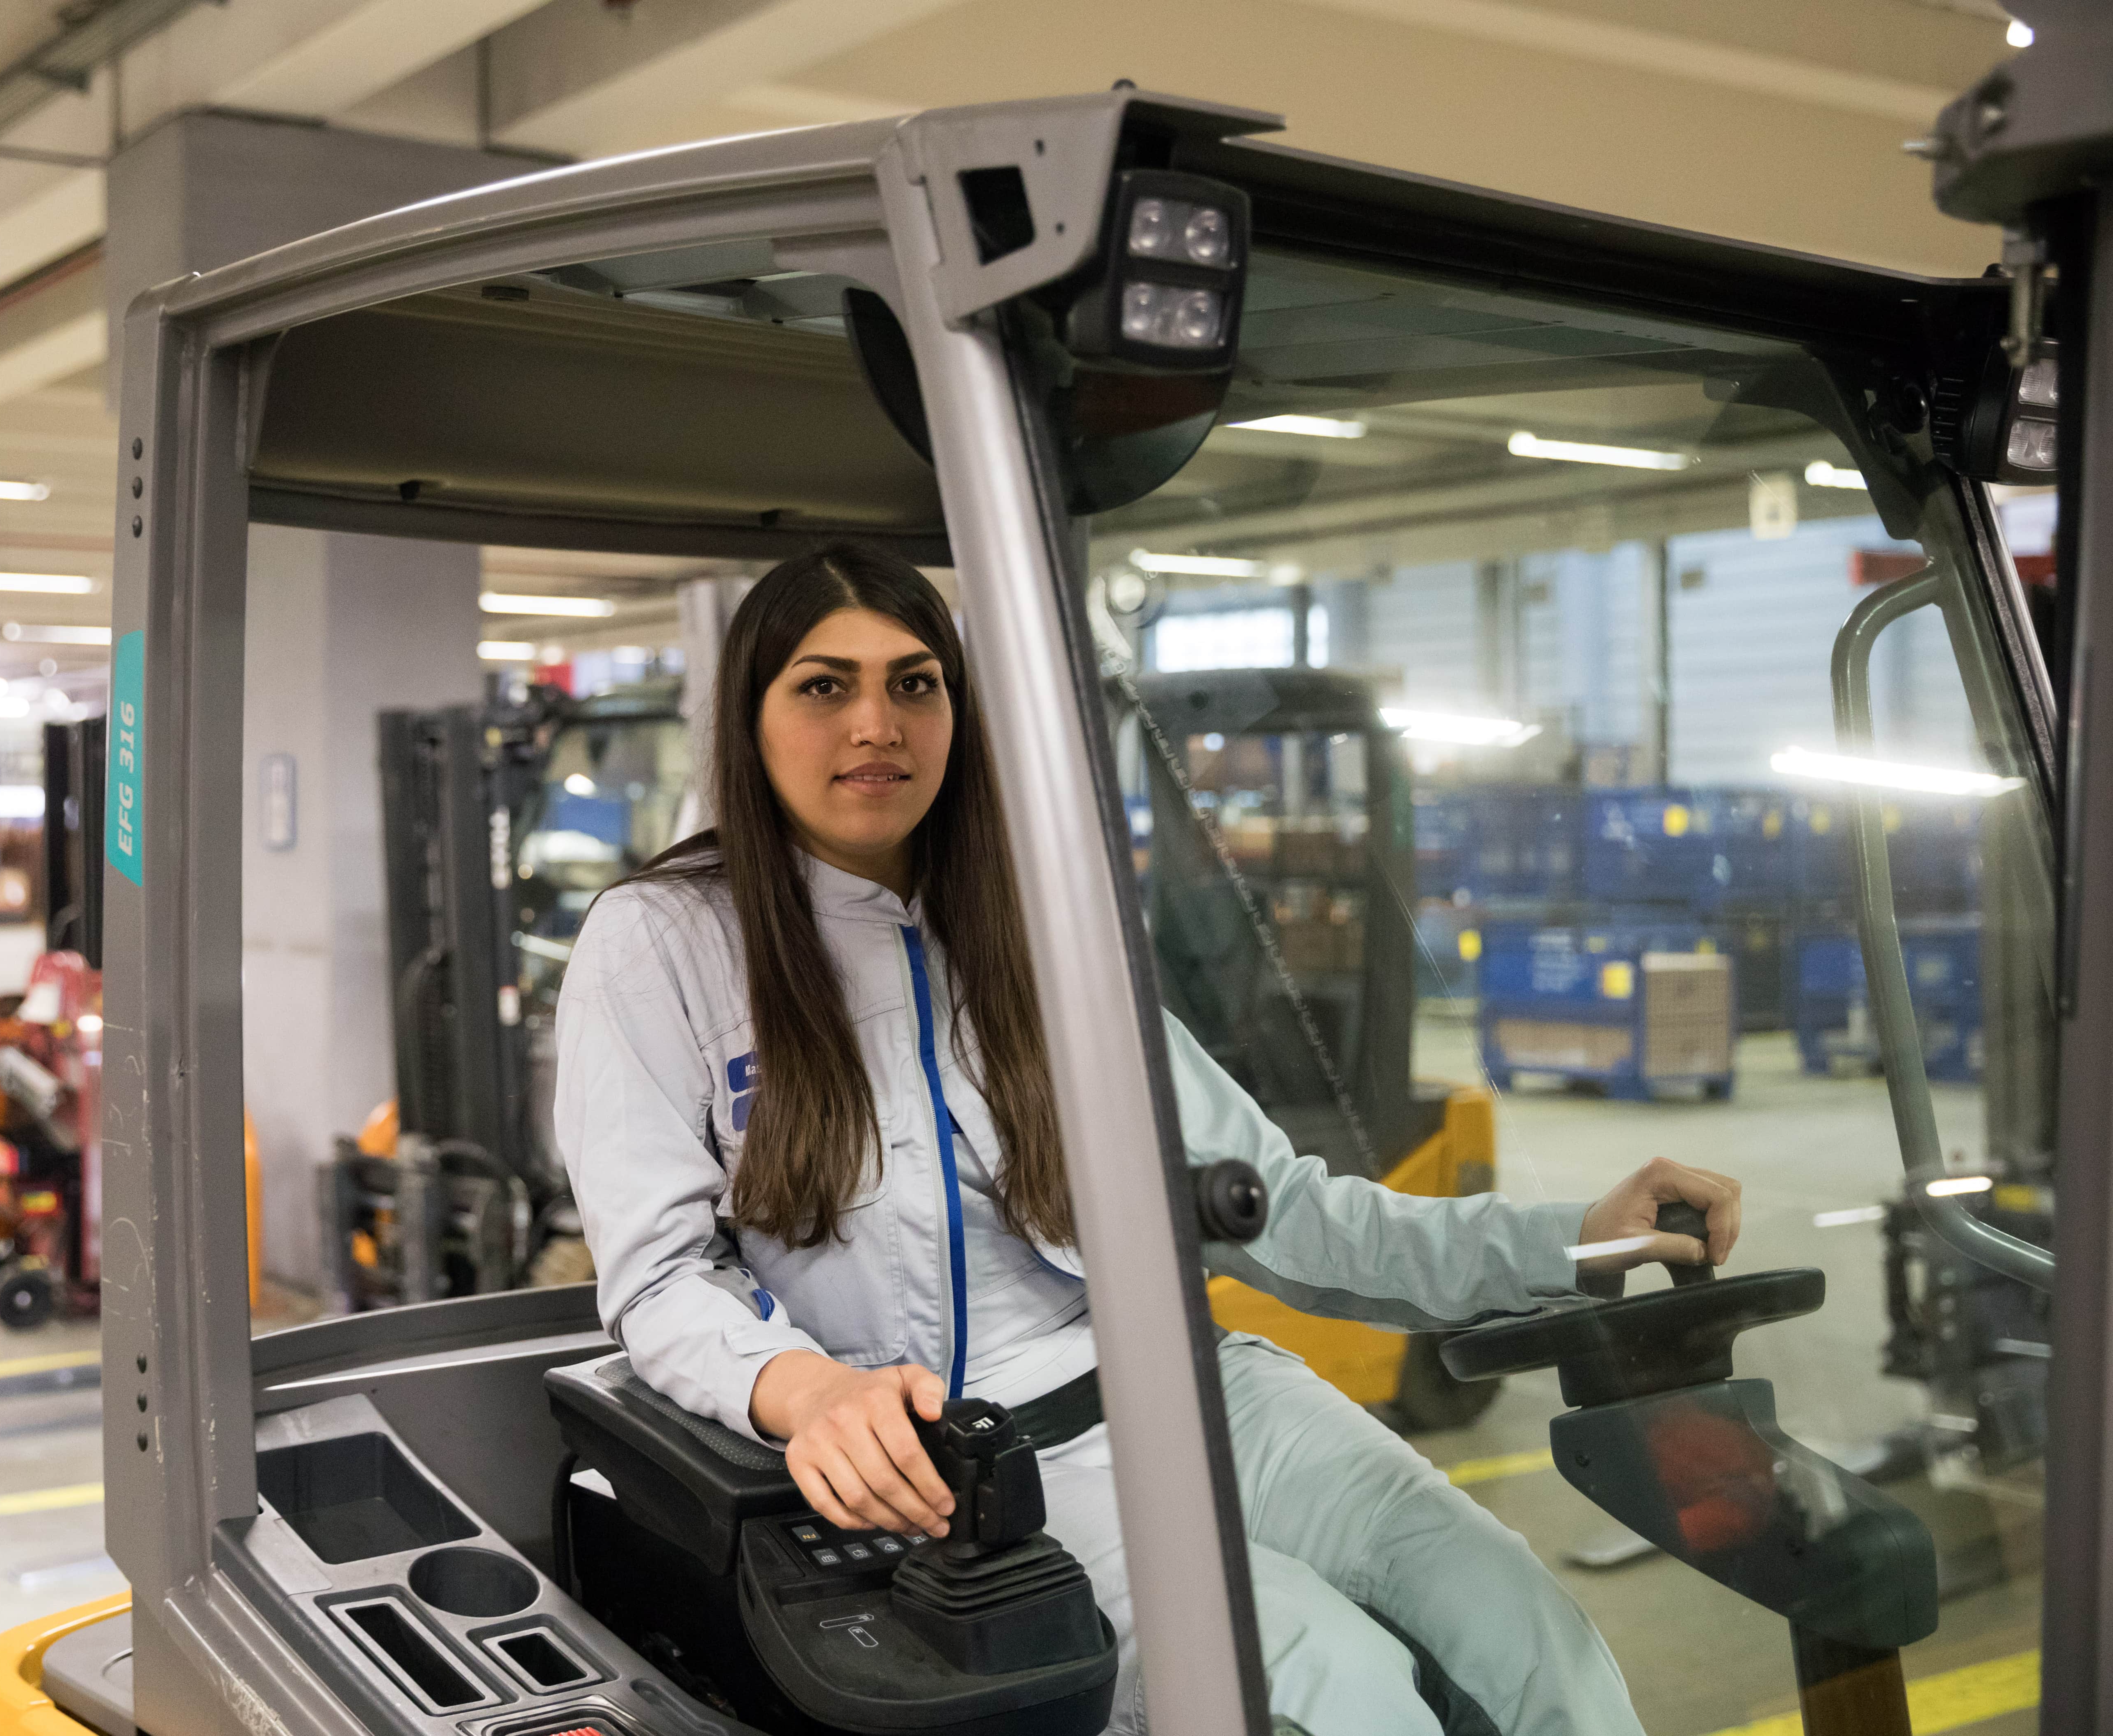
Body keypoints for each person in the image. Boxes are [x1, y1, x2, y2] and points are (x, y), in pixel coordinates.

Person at [553, 541, 1741, 1735]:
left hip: (1201, 1397)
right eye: (825, 686)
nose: (877, 723)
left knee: (1532, 1633)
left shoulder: (1038, 930)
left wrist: (1574, 1240)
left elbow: (1279, 1206)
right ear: (751, 721)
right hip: (983, 1476)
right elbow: (657, 1277)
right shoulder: (663, 943)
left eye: (915, 683)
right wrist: (802, 1391)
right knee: (1342, 1689)